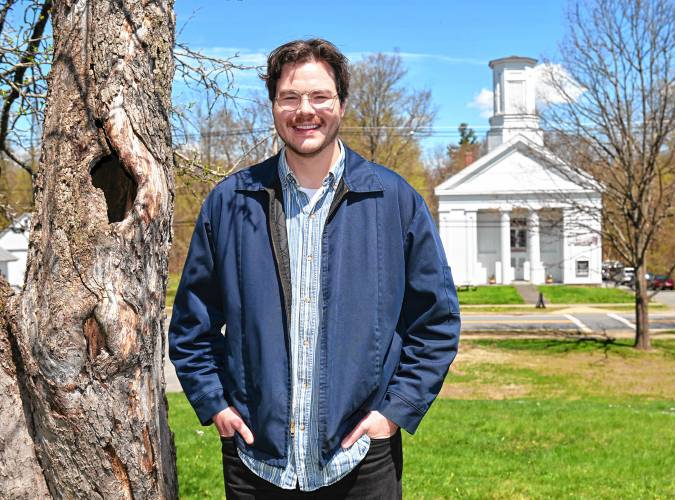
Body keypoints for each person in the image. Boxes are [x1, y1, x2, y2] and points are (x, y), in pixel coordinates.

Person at [169, 38, 460, 499]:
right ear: (273, 106)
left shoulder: (393, 201)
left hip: (361, 459)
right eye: (290, 97)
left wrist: (395, 411)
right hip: (256, 463)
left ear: (341, 103)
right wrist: (216, 403)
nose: (306, 110)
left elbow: (437, 322)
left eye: (320, 96)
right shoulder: (230, 202)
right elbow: (191, 325)